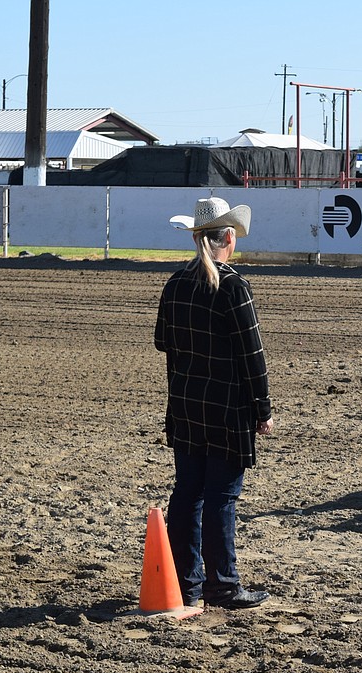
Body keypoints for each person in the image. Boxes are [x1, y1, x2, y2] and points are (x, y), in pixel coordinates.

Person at [154, 198, 273, 609]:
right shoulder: (234, 286)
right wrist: (263, 409)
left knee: (187, 493)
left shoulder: (175, 283)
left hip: (186, 404)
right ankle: (222, 585)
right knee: (221, 497)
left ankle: (186, 584)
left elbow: (163, 343)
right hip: (227, 409)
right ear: (227, 237)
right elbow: (251, 356)